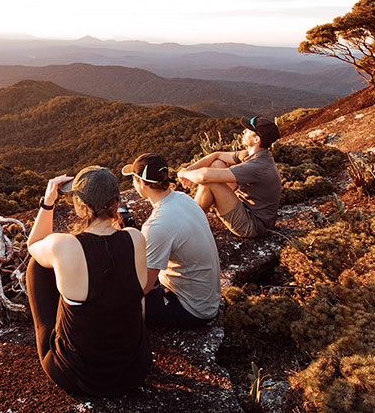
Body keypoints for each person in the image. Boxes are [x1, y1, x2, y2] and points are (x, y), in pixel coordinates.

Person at [26, 166, 151, 396]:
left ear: (82, 207)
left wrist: (48, 201)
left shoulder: (65, 246)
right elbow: (139, 309)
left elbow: (33, 244)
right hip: (133, 371)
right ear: (116, 203)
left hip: (75, 376)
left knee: (37, 266)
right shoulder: (135, 238)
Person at [123, 153, 221, 329]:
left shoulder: (157, 225)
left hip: (192, 309)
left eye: (134, 179)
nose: (132, 183)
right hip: (206, 298)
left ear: (142, 183)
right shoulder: (183, 199)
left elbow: (143, 287)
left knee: (119, 304)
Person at [177, 116, 282, 238]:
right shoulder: (254, 155)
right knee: (217, 164)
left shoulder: (257, 166)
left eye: (248, 130)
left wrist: (183, 173)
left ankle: (186, 223)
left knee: (211, 182)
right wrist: (189, 169)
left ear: (256, 139)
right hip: (247, 209)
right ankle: (194, 217)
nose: (243, 132)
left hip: (252, 226)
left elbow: (204, 177)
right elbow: (217, 155)